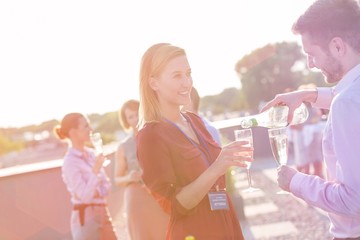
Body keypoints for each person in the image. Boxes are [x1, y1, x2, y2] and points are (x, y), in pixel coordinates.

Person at [261, 0, 360, 239]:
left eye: (311, 54)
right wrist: (307, 94)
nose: (310, 64)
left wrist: (295, 181)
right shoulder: (349, 96)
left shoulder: (346, 103)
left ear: (337, 46)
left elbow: (353, 201)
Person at [136, 43, 252, 240]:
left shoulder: (195, 120)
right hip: (196, 232)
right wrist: (218, 166)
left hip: (225, 221)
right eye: (177, 76)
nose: (187, 82)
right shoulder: (150, 136)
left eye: (188, 73)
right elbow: (176, 206)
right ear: (154, 83)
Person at [53, 113, 117, 240]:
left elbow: (107, 187)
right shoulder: (70, 162)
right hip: (86, 219)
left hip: (104, 213)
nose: (91, 129)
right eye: (86, 126)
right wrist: (96, 171)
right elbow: (86, 197)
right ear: (73, 132)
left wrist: (96, 187)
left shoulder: (92, 154)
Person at [114, 99, 168, 240]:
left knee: (167, 232)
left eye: (136, 113)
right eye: (130, 117)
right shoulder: (123, 146)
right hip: (137, 196)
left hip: (161, 193)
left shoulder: (159, 135)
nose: (135, 119)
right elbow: (117, 179)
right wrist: (130, 177)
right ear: (126, 121)